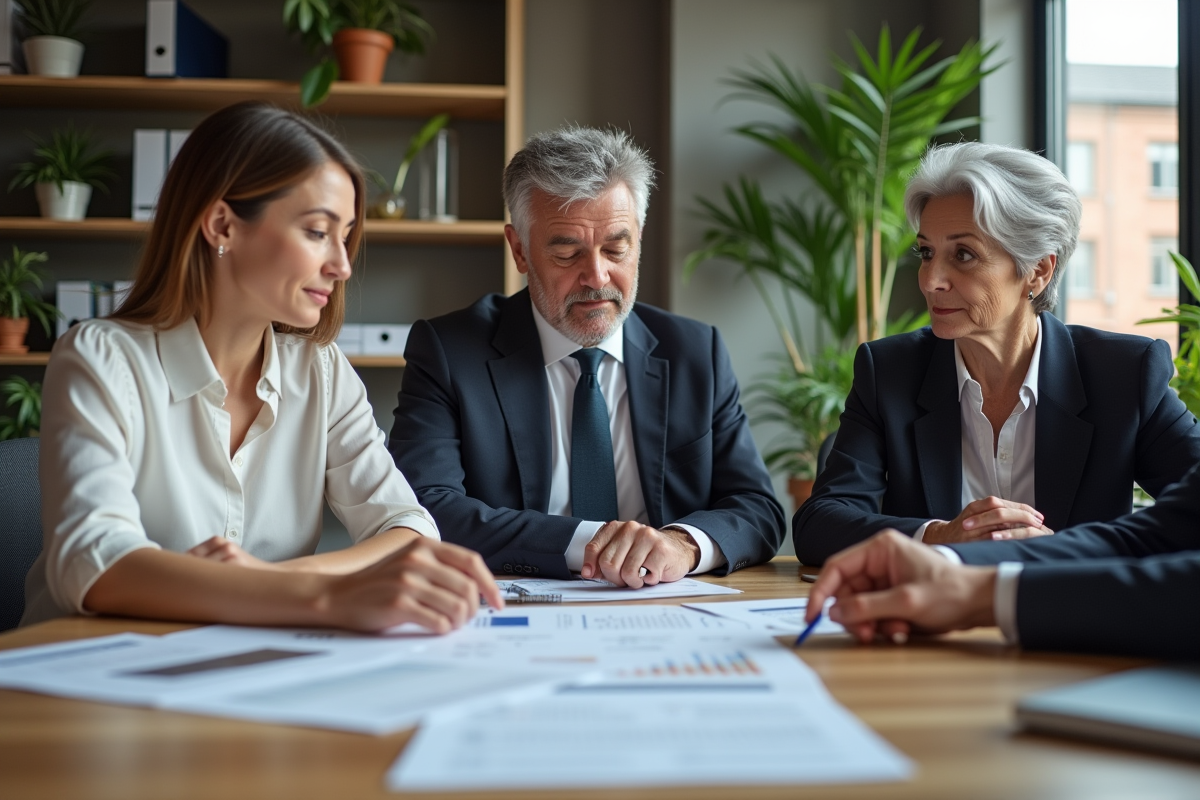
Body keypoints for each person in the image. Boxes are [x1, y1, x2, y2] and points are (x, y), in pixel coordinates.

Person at [22, 102, 502, 632]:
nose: (342, 265)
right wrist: (323, 595)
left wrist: (278, 580)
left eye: (346, 236)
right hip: (90, 680)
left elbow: (408, 528)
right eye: (318, 232)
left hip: (244, 667)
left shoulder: (321, 370)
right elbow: (94, 563)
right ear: (223, 224)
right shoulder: (101, 358)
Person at [390, 126, 785, 585]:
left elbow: (757, 508)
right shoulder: (449, 351)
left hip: (667, 607)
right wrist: (592, 542)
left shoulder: (696, 352)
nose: (596, 275)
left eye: (616, 248)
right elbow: (424, 506)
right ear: (519, 249)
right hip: (516, 609)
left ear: (638, 239)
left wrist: (682, 543)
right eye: (567, 253)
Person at [793, 142, 1200, 565]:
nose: (931, 279)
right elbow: (819, 524)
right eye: (926, 252)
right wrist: (940, 536)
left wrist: (1061, 550)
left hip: (1070, 625)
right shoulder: (889, 372)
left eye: (963, 255)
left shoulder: (1124, 375)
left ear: (1038, 271)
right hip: (933, 625)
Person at [804, 451, 1200, 660]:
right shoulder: (886, 366)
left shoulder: (1129, 367)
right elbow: (1155, 535)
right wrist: (947, 559)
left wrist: (980, 593)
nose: (929, 289)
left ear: (1034, 288)